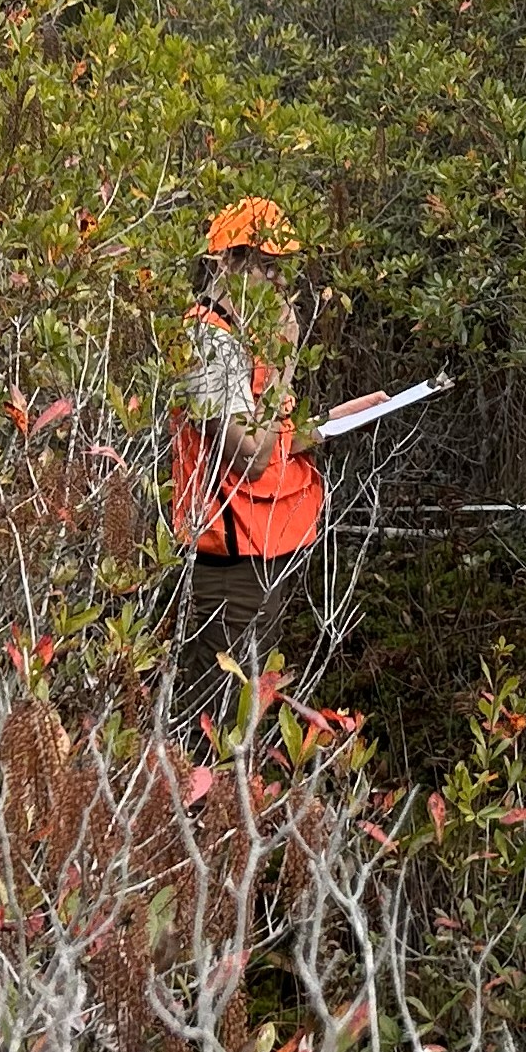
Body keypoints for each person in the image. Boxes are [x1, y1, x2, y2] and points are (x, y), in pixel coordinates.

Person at [175, 196, 326, 697]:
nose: (281, 283)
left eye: (283, 269)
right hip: (227, 567)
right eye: (267, 267)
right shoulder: (208, 342)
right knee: (220, 716)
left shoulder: (241, 337)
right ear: (228, 263)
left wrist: (331, 424)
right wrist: (285, 359)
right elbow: (253, 457)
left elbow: (272, 435)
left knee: (249, 708)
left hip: (258, 556)